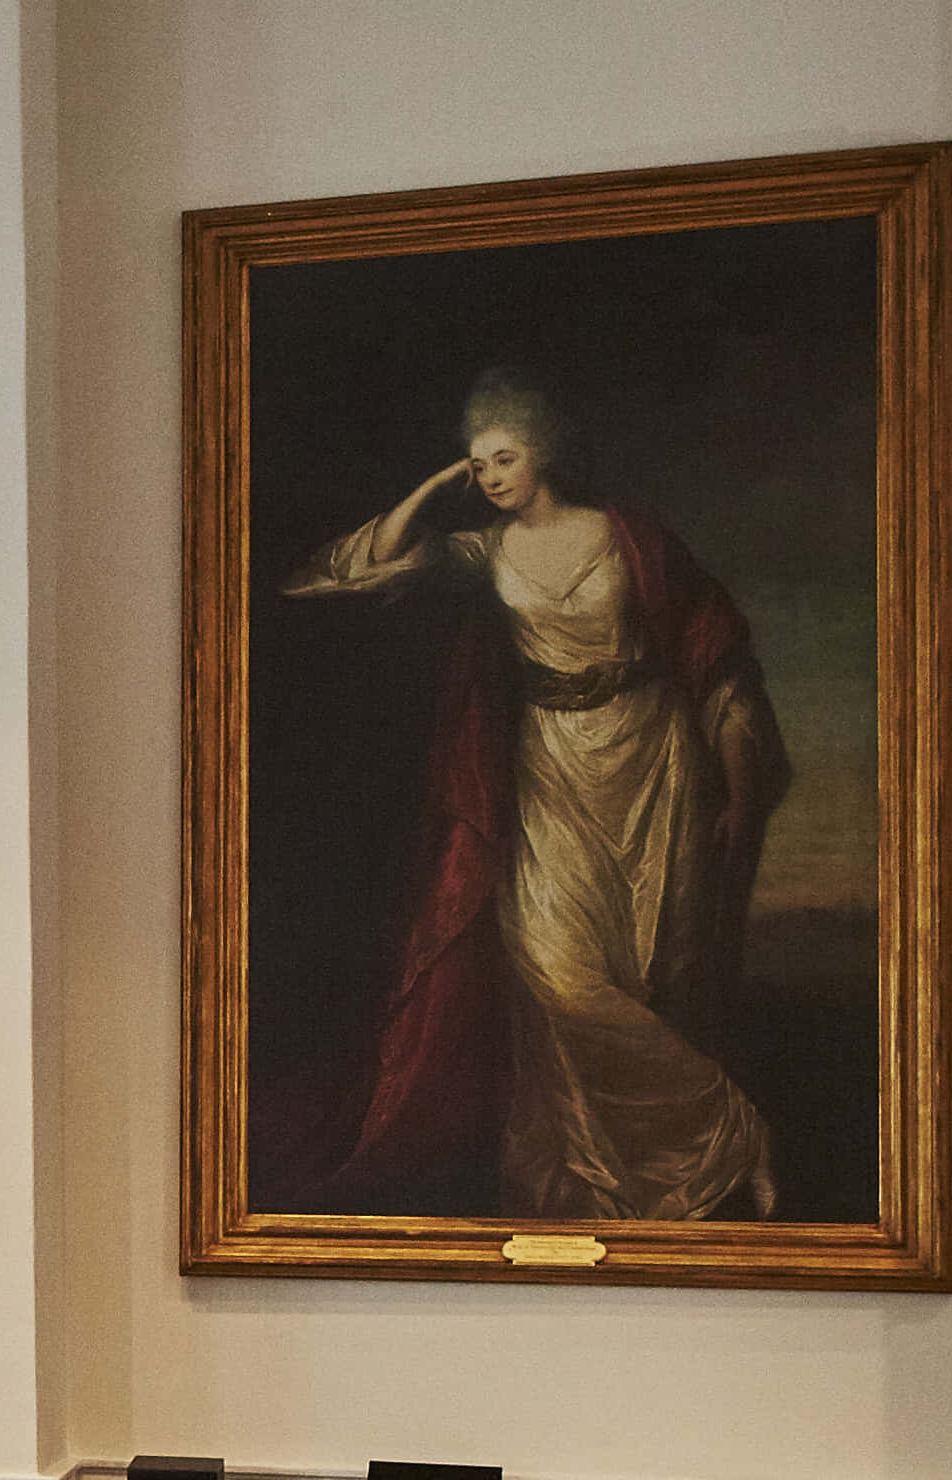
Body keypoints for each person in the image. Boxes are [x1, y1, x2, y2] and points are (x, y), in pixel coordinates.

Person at [282, 370, 788, 1220]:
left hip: (648, 757)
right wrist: (436, 487)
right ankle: (731, 1131)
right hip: (549, 766)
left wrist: (736, 788)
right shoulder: (482, 550)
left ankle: (649, 1177)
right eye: (476, 468)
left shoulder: (628, 538)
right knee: (561, 976)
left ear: (543, 452)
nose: (488, 478)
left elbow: (715, 659)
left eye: (502, 459)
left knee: (647, 977)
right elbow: (360, 567)